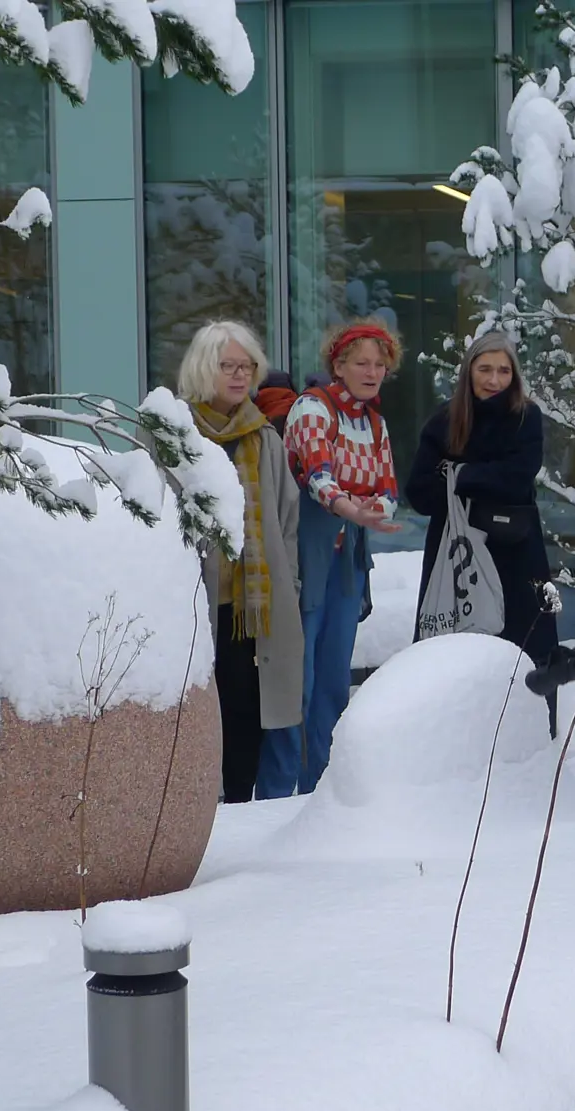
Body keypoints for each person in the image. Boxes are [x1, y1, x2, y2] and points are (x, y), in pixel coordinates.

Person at [257, 319, 402, 798]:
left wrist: (371, 510)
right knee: (296, 680)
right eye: (362, 363)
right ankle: (277, 795)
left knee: (334, 679)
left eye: (380, 365)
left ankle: (321, 790)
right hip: (307, 553)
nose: (372, 372)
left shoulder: (374, 423)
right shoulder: (311, 408)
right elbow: (318, 476)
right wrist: (350, 506)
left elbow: (389, 489)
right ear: (338, 365)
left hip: (347, 560)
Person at [179, 322, 303, 804]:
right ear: (202, 368)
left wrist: (288, 583)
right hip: (193, 603)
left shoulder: (264, 437)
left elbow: (286, 520)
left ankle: (238, 807)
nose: (238, 375)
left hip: (252, 607)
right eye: (227, 365)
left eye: (246, 366)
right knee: (199, 714)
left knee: (247, 713)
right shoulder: (176, 434)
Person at [406, 331, 557, 671]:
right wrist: (478, 478)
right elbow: (419, 491)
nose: (494, 380)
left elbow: (518, 477)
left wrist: (458, 475)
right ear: (468, 372)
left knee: (526, 657)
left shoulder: (526, 416)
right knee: (451, 657)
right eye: (485, 369)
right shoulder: (444, 420)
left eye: (504, 371)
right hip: (456, 551)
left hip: (516, 550)